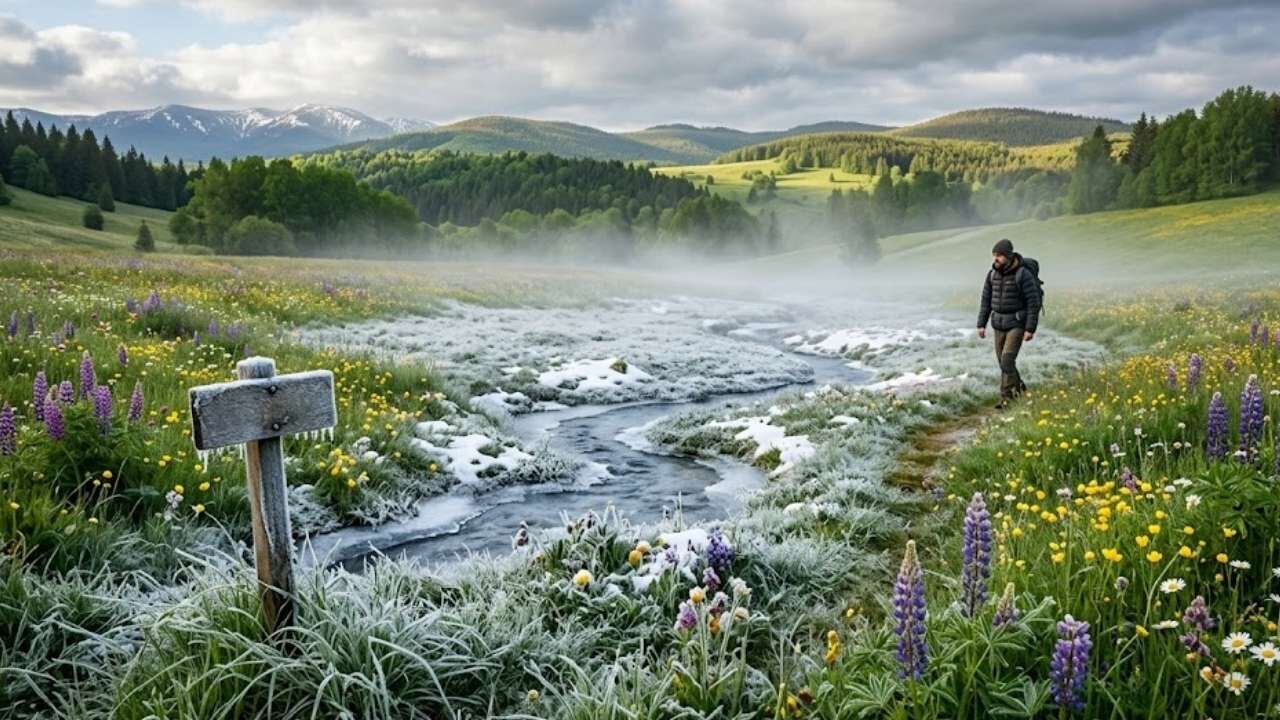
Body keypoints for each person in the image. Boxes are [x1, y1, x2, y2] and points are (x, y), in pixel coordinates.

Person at [976, 238, 1040, 407]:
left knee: (1006, 361)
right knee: (1003, 364)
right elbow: (986, 300)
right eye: (994, 255)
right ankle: (1019, 388)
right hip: (998, 323)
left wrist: (1030, 328)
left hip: (1016, 324)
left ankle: (1006, 398)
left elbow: (1033, 303)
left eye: (999, 256)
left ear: (1009, 256)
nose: (995, 259)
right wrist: (981, 324)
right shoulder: (992, 274)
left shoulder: (1022, 274)